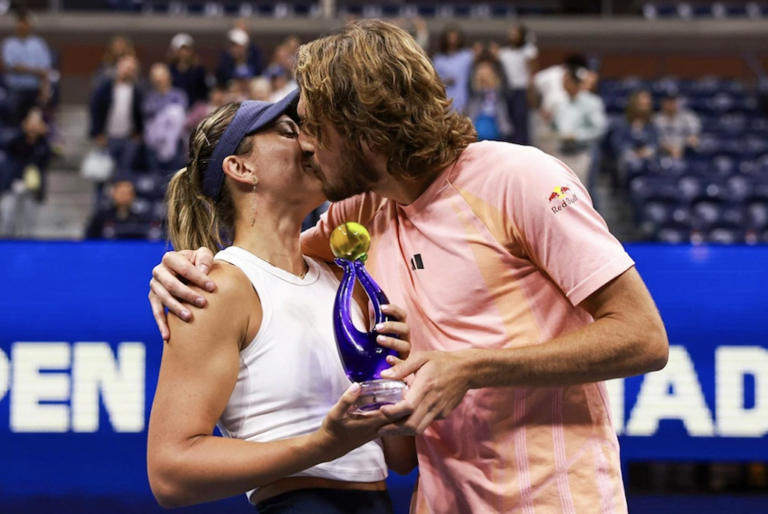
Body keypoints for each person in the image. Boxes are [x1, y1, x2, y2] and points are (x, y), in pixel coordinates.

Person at [148, 21, 669, 514]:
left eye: (312, 127)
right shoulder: (359, 215)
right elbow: (271, 261)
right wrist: (187, 266)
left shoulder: (520, 179)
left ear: (362, 130)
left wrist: (469, 367)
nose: (307, 144)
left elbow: (644, 337)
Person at [146, 91, 416, 513]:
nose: (309, 142)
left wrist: (396, 375)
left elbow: (400, 459)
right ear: (241, 168)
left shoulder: (344, 280)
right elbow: (169, 472)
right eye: (289, 131)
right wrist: (322, 444)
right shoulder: (217, 288)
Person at [552, 65, 607, 188]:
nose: (563, 85)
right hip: (563, 152)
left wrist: (577, 136)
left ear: (574, 82)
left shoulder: (591, 102)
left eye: (566, 81)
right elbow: (557, 126)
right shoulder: (561, 104)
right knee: (562, 192)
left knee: (582, 193)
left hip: (582, 153)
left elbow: (599, 129)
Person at [0, 107, 51, 238]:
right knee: (8, 221)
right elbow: (8, 145)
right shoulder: (17, 137)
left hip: (32, 187)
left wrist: (43, 136)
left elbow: (46, 159)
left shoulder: (42, 143)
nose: (33, 127)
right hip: (13, 184)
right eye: (31, 122)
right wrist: (23, 132)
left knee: (30, 226)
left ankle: (28, 255)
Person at [89, 54, 144, 174]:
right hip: (107, 138)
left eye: (131, 69)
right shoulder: (106, 88)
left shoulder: (136, 90)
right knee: (102, 174)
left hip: (128, 138)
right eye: (125, 67)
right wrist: (98, 133)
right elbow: (95, 109)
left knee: (124, 173)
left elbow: (140, 114)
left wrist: (138, 133)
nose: (127, 71)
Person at [1, 8, 53, 125]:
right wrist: (35, 70)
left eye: (25, 23)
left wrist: (44, 90)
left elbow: (45, 70)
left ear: (30, 25)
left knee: (40, 114)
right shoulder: (8, 44)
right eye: (20, 22)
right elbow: (12, 66)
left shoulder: (39, 44)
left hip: (34, 89)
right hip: (14, 89)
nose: (22, 26)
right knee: (12, 112)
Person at [496, 24, 538, 145]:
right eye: (511, 33)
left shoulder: (528, 51)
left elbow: (532, 72)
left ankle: (522, 144)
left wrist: (531, 92)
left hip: (521, 89)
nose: (512, 36)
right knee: (507, 120)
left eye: (515, 33)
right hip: (507, 90)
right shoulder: (504, 52)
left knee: (520, 120)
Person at [143, 63, 188, 172]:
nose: (159, 81)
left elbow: (181, 115)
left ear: (168, 77)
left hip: (175, 143)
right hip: (154, 145)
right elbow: (147, 113)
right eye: (156, 78)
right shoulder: (150, 97)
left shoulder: (178, 95)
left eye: (161, 77)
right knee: (155, 176)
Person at [84, 177, 158, 240]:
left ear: (133, 196)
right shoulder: (101, 217)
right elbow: (89, 237)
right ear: (114, 194)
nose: (123, 196)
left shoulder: (140, 219)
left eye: (127, 193)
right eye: (121, 193)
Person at [611, 89, 660, 177]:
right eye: (641, 104)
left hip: (647, 158)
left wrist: (646, 151)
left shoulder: (652, 125)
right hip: (628, 157)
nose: (643, 107)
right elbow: (618, 143)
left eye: (646, 105)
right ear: (633, 105)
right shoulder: (623, 124)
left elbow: (655, 143)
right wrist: (633, 152)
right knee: (630, 162)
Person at [465, 60, 512, 142]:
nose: (485, 75)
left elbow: (505, 89)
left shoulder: (499, 91)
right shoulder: (475, 92)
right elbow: (474, 91)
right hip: (479, 123)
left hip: (496, 123)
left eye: (487, 73)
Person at [432, 24, 475, 114]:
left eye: (455, 38)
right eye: (450, 38)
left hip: (464, 100)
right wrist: (445, 81)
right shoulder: (439, 59)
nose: (452, 41)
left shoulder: (467, 56)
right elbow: (434, 82)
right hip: (446, 102)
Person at [653, 90, 701, 159]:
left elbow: (694, 138)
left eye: (673, 101)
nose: (671, 104)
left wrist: (681, 147)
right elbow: (652, 140)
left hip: (685, 154)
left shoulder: (689, 117)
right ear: (663, 102)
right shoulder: (655, 119)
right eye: (668, 101)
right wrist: (669, 149)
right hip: (661, 154)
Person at [168, 33, 210, 108]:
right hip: (176, 106)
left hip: (195, 108)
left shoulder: (198, 70)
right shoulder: (170, 70)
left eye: (186, 50)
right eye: (180, 50)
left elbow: (204, 93)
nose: (183, 53)